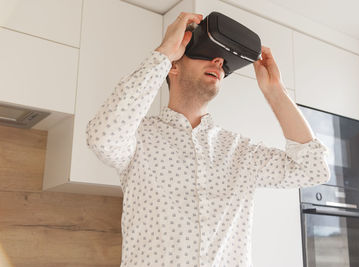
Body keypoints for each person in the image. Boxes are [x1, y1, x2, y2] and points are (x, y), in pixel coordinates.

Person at [86, 11, 330, 267]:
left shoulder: (241, 152)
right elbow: (102, 137)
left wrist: (275, 91)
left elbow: (312, 169)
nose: (218, 63)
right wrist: (164, 53)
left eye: (224, 63)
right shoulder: (138, 138)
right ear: (174, 65)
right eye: (206, 54)